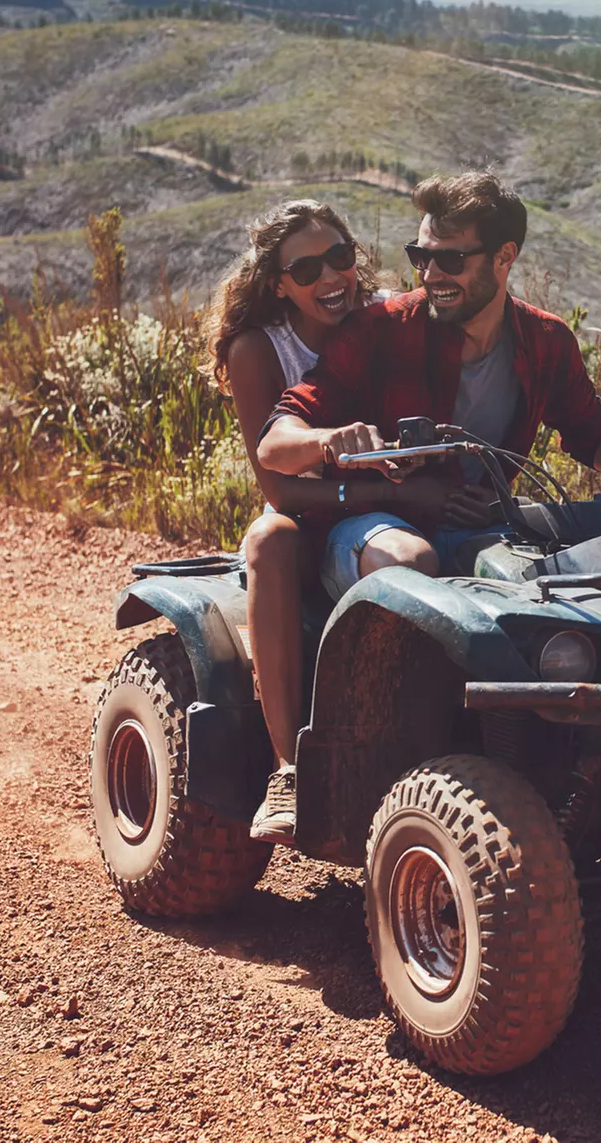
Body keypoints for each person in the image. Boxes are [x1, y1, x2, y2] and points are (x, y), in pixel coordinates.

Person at [251, 170, 601, 842]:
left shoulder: (544, 340)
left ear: (504, 258)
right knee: (410, 558)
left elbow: (593, 436)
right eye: (420, 256)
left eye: (449, 258)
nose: (430, 272)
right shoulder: (383, 329)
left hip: (487, 527)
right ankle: (377, 767)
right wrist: (329, 440)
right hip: (378, 523)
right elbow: (276, 440)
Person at [204, 198, 385, 839]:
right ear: (278, 284)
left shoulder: (383, 319)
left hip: (393, 500)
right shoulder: (262, 348)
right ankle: (286, 770)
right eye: (305, 271)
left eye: (339, 258)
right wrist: (363, 499)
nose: (329, 280)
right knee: (268, 542)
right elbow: (276, 486)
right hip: (310, 512)